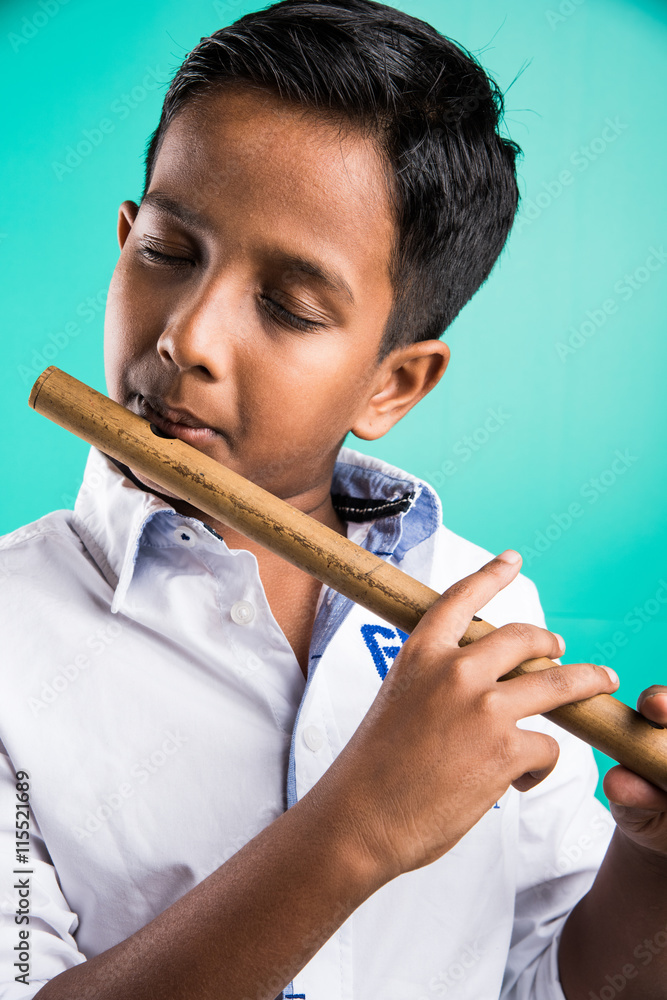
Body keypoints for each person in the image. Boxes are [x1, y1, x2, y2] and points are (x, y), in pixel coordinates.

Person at [2, 2, 666, 998]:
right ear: (125, 235)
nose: (190, 338)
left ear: (391, 384)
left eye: (289, 308)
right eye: (170, 253)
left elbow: (545, 980)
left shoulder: (477, 616)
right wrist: (359, 825)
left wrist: (650, 861)